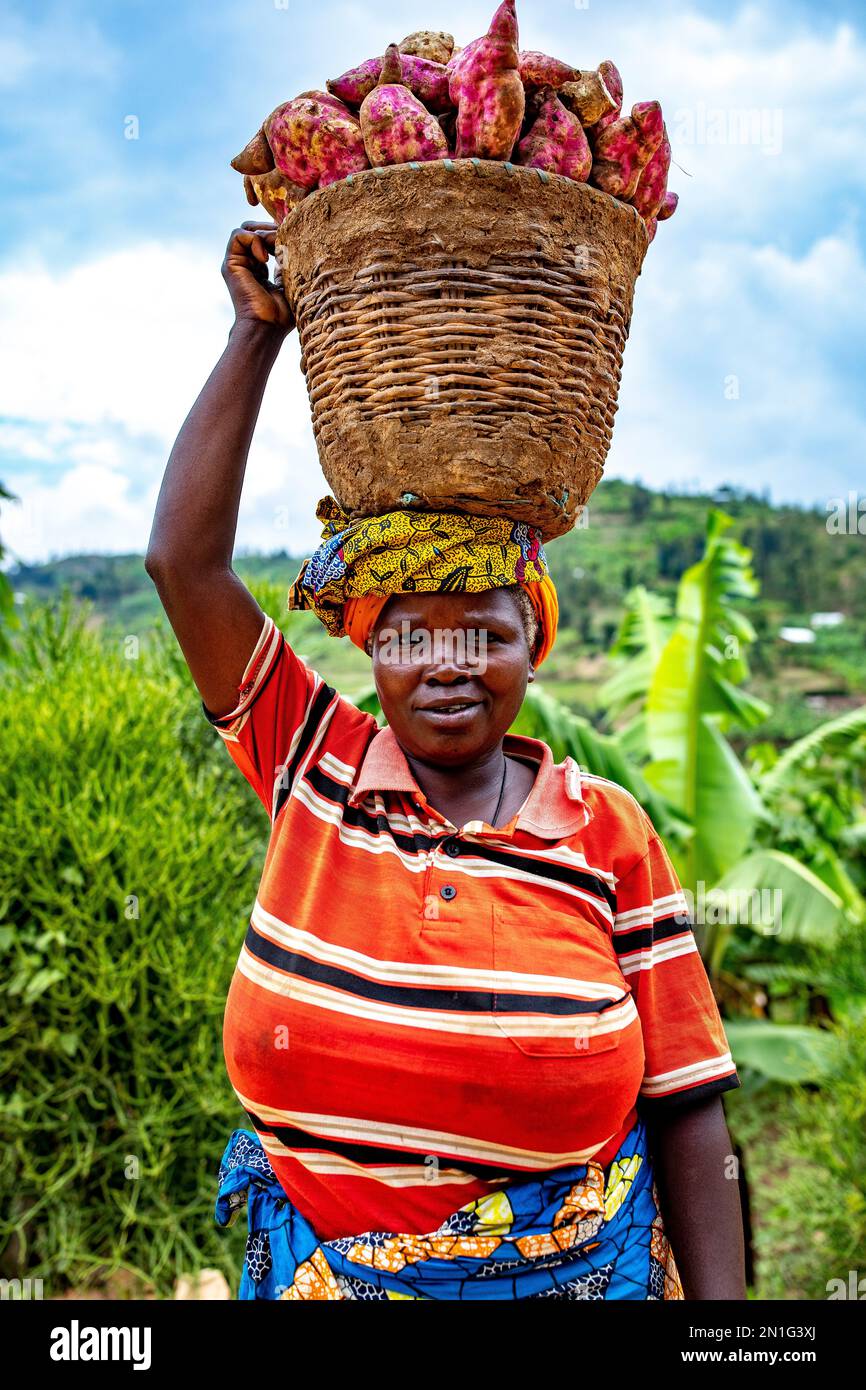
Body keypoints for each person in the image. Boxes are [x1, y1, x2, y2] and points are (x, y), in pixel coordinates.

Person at [145, 222, 747, 1301]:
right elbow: (182, 563)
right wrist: (254, 334)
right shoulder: (307, 760)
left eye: (483, 630)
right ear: (371, 645)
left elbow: (688, 1100)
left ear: (532, 644)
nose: (447, 663)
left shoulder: (606, 831)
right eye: (411, 632)